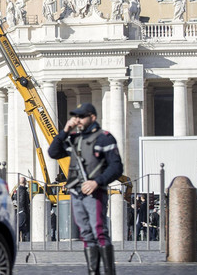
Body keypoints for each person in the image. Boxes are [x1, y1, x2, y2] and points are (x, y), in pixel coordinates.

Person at [48, 102, 123, 275]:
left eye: (82, 116)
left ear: (93, 117)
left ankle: (109, 272)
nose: (78, 120)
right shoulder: (75, 138)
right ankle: (92, 272)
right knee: (85, 233)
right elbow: (53, 152)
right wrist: (65, 130)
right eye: (76, 117)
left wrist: (97, 181)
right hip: (76, 191)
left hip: (94, 192)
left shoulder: (105, 137)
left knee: (99, 230)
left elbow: (116, 167)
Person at [12, 176, 30, 241]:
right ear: (25, 182)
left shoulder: (18, 190)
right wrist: (22, 210)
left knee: (21, 229)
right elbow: (23, 201)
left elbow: (16, 199)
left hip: (20, 211)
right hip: (23, 212)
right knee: (25, 230)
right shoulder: (23, 190)